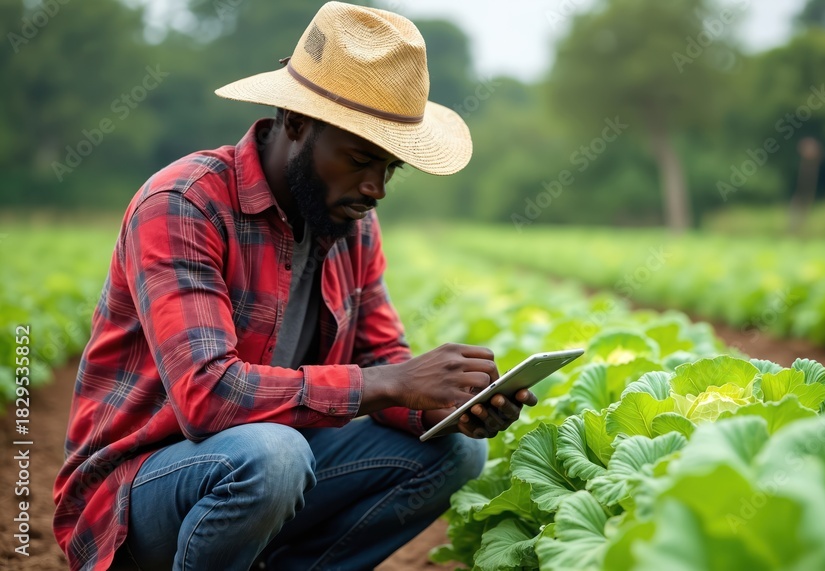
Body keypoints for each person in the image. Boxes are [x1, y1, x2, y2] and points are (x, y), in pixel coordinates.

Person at [53, 3, 537, 569]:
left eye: (389, 168)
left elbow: (381, 358)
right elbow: (209, 399)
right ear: (296, 122)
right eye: (360, 159)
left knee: (454, 451)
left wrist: (449, 408)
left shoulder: (352, 223)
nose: (376, 188)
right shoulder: (185, 204)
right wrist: (389, 381)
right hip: (137, 493)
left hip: (263, 473)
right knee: (273, 455)